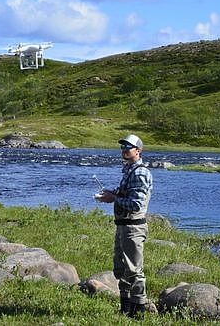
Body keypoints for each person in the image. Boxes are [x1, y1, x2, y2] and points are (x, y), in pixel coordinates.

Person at [95, 134, 153, 318]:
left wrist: (114, 198)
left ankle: (138, 313)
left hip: (133, 228)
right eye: (123, 147)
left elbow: (136, 204)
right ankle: (125, 310)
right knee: (121, 270)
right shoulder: (129, 170)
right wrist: (113, 193)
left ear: (138, 150)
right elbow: (127, 197)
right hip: (123, 227)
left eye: (128, 147)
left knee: (135, 271)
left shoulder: (140, 172)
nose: (124, 150)